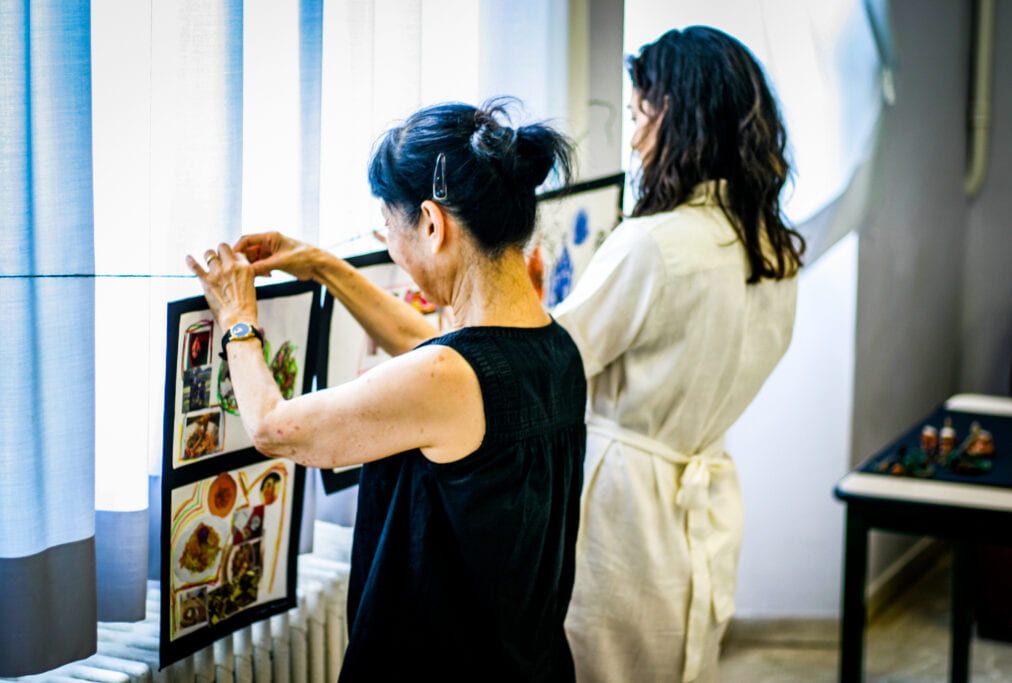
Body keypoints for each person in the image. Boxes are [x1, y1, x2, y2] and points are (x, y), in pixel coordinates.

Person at [186, 100, 586, 681]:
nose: (391, 244)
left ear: (431, 222)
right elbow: (421, 345)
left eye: (389, 226)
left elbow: (274, 428)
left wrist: (236, 317)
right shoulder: (553, 347)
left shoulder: (449, 378)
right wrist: (322, 265)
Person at [553, 27, 805, 682]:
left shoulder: (655, 244)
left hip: (622, 505)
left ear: (682, 119)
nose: (633, 138)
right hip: (706, 493)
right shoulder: (773, 249)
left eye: (640, 116)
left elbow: (554, 360)